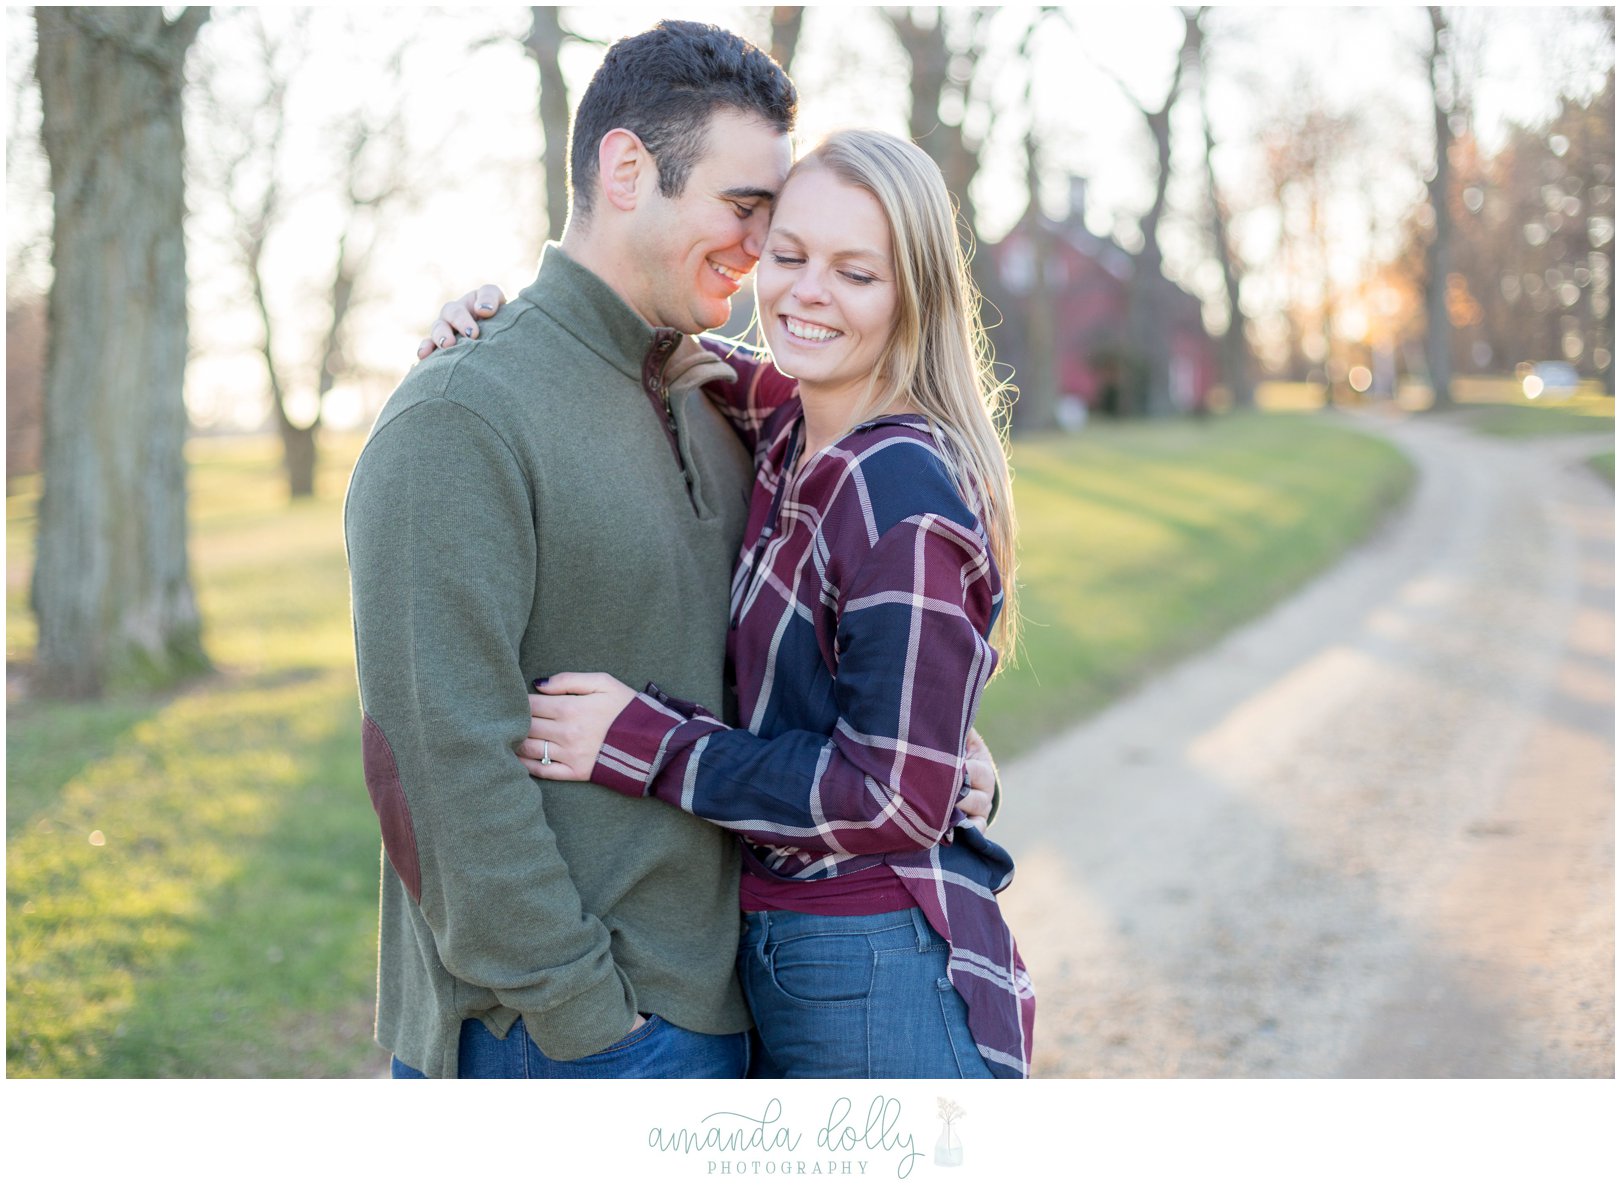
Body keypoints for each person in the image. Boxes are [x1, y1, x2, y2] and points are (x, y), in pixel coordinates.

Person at [434, 131, 1035, 1077]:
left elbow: (892, 795)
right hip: (783, 950)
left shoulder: (901, 497)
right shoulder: (792, 416)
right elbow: (641, 340)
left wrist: (648, 743)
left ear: (911, 295)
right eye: (788, 256)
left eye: (855, 273)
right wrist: (496, 325)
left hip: (878, 955)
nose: (805, 292)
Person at [345, 20, 800, 1080]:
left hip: (727, 1012)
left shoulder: (713, 399)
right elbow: (437, 755)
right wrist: (583, 1013)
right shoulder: (462, 409)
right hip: (557, 1041)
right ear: (628, 169)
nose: (762, 246)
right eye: (744, 208)